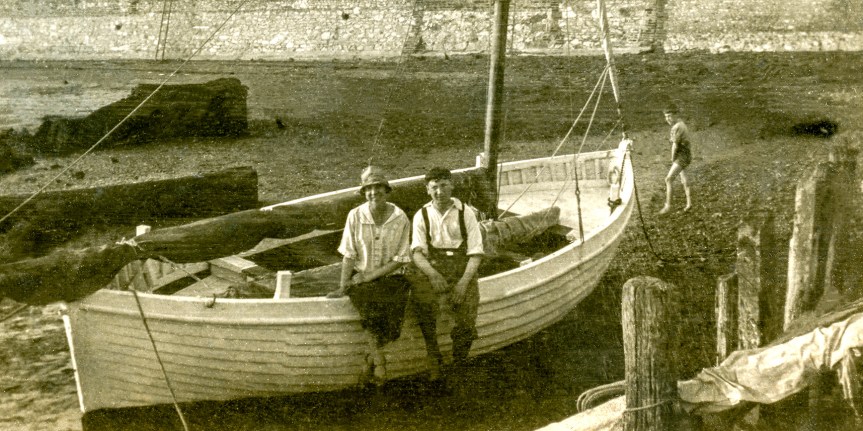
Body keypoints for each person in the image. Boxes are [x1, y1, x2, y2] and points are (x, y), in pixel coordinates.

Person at [327, 165, 412, 386]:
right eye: (369, 189)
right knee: (369, 306)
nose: (374, 193)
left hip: (392, 277)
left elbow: (401, 259)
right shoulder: (355, 216)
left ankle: (369, 359)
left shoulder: (400, 217)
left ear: (386, 190)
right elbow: (349, 253)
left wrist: (369, 277)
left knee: (393, 319)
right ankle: (380, 362)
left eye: (378, 188)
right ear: (365, 193)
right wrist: (343, 285)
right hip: (362, 277)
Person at [409, 167, 484, 382]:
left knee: (467, 314)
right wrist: (433, 275)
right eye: (434, 188)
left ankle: (459, 361)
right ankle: (433, 354)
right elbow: (417, 253)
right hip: (434, 266)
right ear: (427, 190)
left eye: (443, 186)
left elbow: (476, 253)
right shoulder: (421, 214)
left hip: (462, 268)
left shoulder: (465, 212)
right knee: (422, 301)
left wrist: (462, 284)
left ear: (451, 185)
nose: (439, 192)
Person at [659, 103, 693, 214]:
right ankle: (689, 204)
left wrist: (672, 159)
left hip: (681, 155)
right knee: (684, 179)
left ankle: (668, 206)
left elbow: (675, 145)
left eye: (669, 116)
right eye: (666, 116)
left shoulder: (677, 127)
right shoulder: (681, 124)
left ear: (676, 114)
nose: (667, 119)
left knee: (668, 179)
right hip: (685, 154)